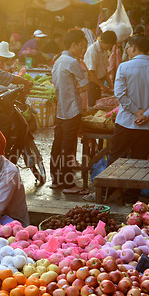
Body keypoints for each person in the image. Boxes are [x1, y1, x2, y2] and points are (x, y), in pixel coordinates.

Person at [110, 35, 149, 201]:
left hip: (126, 122)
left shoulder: (124, 67)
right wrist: (147, 114)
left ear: (133, 48)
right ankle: (131, 198)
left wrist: (136, 112)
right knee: (139, 162)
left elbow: (120, 94)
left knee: (116, 159)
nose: (127, 50)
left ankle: (110, 195)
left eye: (128, 47)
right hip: (147, 126)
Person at [50, 29, 89, 194]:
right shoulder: (72, 62)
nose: (82, 49)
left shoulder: (58, 60)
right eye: (81, 45)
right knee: (67, 145)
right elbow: (86, 84)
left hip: (61, 109)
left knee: (58, 144)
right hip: (72, 109)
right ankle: (69, 184)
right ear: (74, 44)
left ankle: (57, 179)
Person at [84, 30, 117, 108]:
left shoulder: (104, 50)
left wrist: (110, 84)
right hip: (92, 83)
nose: (109, 48)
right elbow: (91, 74)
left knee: (98, 105)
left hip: (98, 82)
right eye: (108, 46)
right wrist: (102, 86)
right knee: (92, 106)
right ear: (101, 42)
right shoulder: (92, 51)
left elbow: (104, 69)